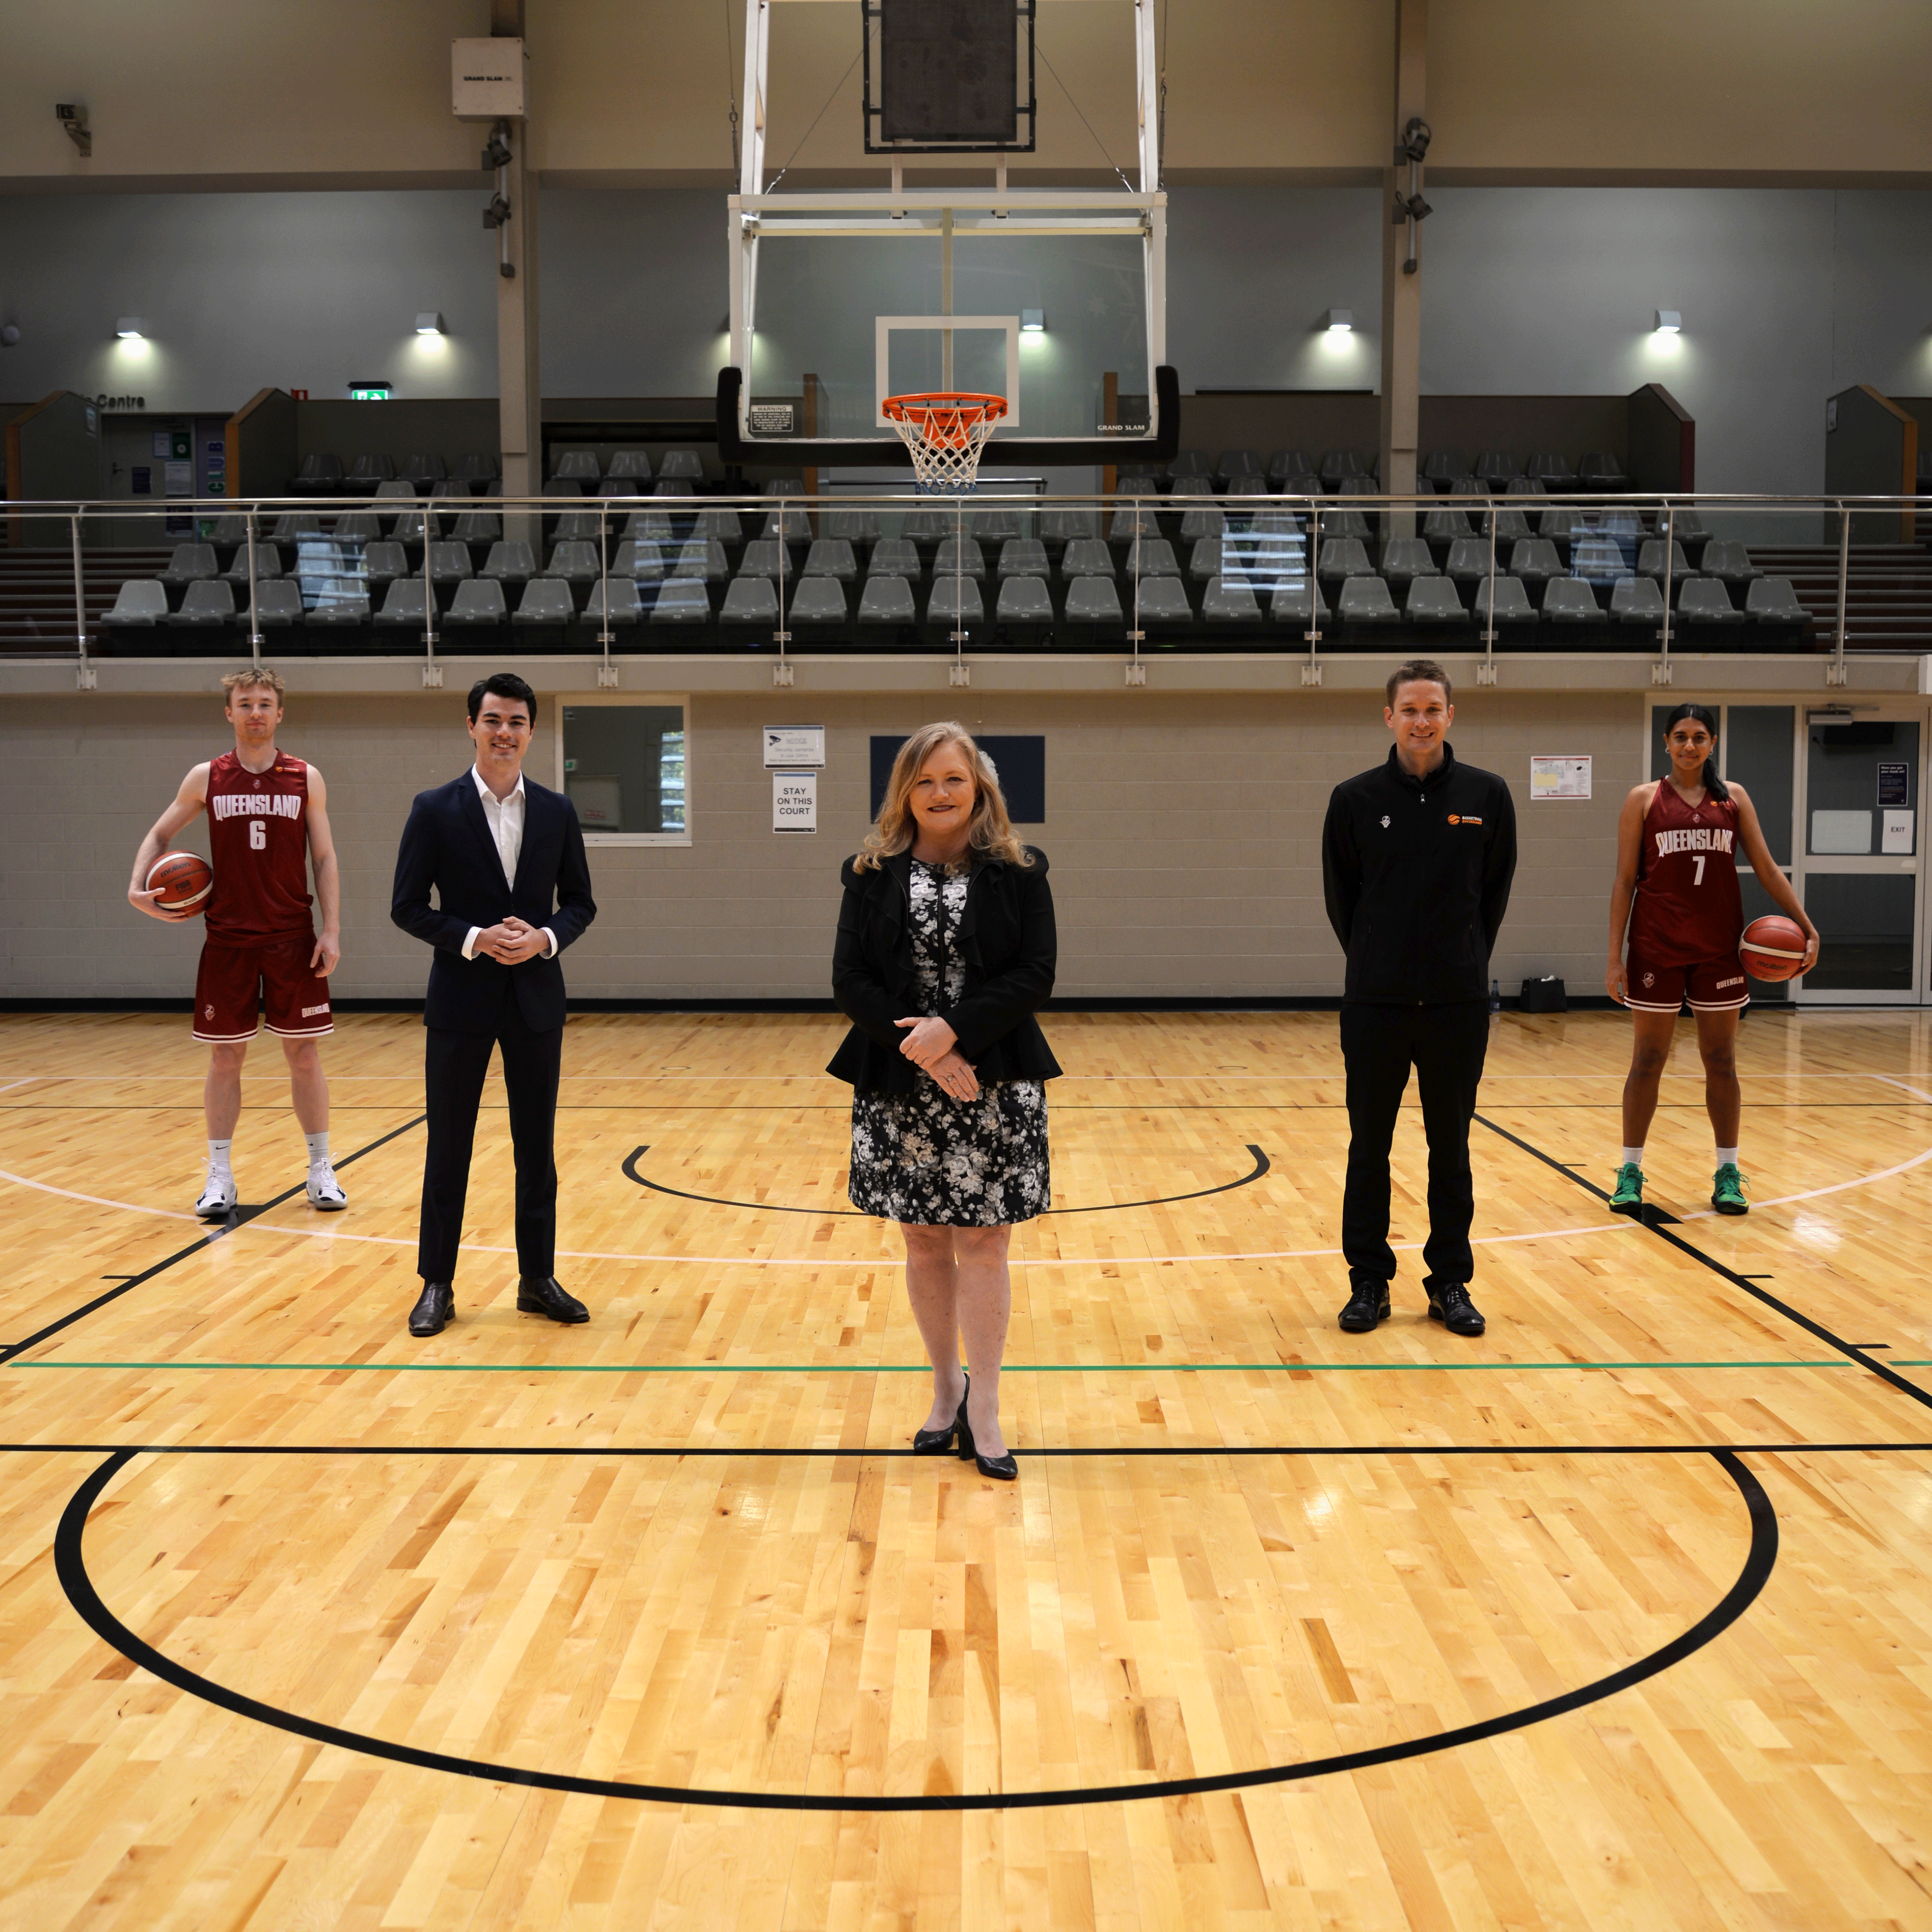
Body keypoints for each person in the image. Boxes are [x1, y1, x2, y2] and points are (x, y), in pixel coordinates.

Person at [830, 723, 1059, 1481]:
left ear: (980, 787)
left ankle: (986, 1408)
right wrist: (922, 1048)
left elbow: (1035, 973)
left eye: (954, 779)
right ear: (905, 791)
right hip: (903, 1084)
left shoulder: (1021, 870)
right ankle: (944, 1392)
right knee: (924, 1241)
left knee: (987, 1243)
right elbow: (850, 978)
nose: (940, 794)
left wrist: (954, 1034)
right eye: (925, 781)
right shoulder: (868, 871)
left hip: (992, 1081)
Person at [390, 673, 597, 1339]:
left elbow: (581, 903)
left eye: (516, 722)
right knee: (448, 1146)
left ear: (532, 732)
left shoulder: (559, 812)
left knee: (536, 1150)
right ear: (472, 727)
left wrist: (545, 939)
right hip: (461, 1001)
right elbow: (407, 907)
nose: (504, 732)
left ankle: (537, 1281)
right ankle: (437, 1284)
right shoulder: (433, 808)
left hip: (536, 1000)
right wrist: (475, 939)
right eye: (492, 720)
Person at [1321, 659, 1518, 1338]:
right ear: (1389, 717)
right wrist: (1379, 962)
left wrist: (1460, 958)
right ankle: (1368, 1281)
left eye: (1433, 708)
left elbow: (1492, 895)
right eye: (1410, 709)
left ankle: (1450, 1282)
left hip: (1456, 1006)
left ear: (1450, 716)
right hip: (1374, 1005)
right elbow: (1342, 901)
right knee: (1368, 1148)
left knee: (1451, 1149)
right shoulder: (1353, 799)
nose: (1422, 721)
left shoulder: (1488, 796)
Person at [127, 665, 345, 1219]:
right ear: (229, 712)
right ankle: (219, 1175)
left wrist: (332, 929)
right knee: (226, 1058)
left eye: (264, 702)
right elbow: (159, 833)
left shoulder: (305, 777)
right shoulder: (206, 777)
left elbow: (323, 857)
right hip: (227, 939)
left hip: (292, 936)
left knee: (303, 1052)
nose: (255, 712)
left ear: (279, 712)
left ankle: (321, 1169)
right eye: (245, 703)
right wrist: (137, 887)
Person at [1606, 701, 1818, 1216]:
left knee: (1720, 1060)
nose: (1688, 745)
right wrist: (1614, 957)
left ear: (1712, 743)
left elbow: (1766, 869)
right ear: (1665, 742)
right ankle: (1629, 1169)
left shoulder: (1733, 799)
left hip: (1718, 949)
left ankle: (1727, 1170)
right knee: (1646, 1060)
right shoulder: (1642, 799)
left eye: (1698, 736)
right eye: (1679, 735)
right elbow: (1623, 881)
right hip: (1656, 945)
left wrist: (1807, 926)